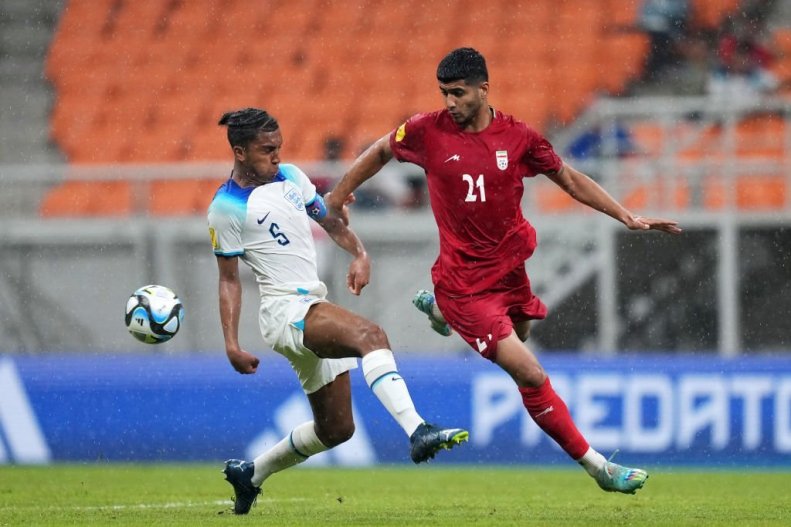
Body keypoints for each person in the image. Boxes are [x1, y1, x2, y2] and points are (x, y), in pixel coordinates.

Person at [326, 48, 682, 495]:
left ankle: (439, 312)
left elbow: (569, 178)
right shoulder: (425, 131)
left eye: (458, 93)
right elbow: (381, 149)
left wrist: (625, 215)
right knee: (531, 374)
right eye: (444, 93)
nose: (450, 102)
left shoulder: (518, 137)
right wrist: (337, 197)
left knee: (523, 332)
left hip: (511, 271)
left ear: (483, 89)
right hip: (465, 287)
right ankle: (599, 467)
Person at [207, 108, 468, 515]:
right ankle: (418, 430)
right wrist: (231, 343)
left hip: (313, 304)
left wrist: (359, 253)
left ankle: (251, 474)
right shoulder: (226, 207)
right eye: (266, 150)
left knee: (336, 429)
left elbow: (328, 218)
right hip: (284, 311)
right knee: (371, 336)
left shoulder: (291, 176)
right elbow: (228, 280)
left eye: (278, 147)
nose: (276, 156)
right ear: (240, 152)